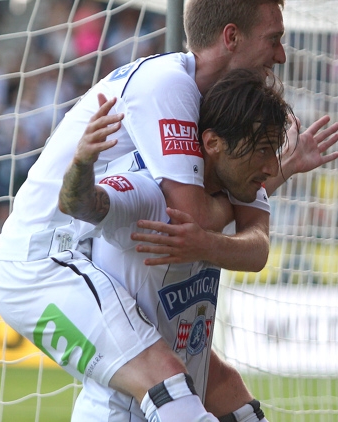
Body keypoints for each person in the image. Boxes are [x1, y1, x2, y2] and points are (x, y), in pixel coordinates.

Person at [0, 0, 338, 422]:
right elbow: (188, 217)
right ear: (231, 37)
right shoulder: (168, 87)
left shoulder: (227, 131)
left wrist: (273, 173)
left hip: (95, 253)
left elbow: (250, 242)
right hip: (44, 263)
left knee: (225, 388)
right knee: (164, 378)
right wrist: (257, 189)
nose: (282, 55)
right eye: (273, 39)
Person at [60, 68, 290, 421]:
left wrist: (205, 244)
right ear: (212, 143)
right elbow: (81, 204)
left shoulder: (228, 194)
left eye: (274, 153)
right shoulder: (150, 192)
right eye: (262, 151)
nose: (271, 168)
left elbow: (257, 248)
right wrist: (81, 163)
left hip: (179, 402)